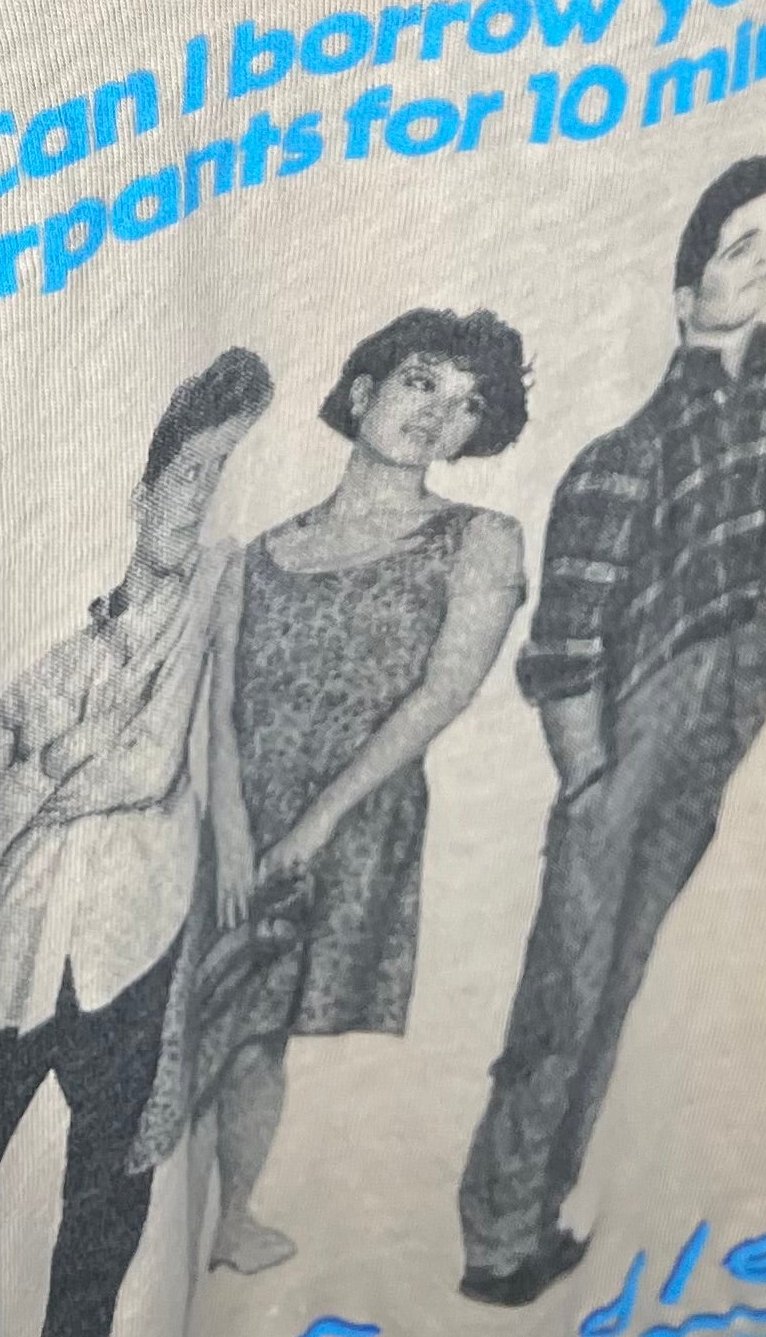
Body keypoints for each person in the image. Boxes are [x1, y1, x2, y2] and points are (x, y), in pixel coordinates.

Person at [456, 151, 766, 1307]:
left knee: (618, 980)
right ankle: (500, 1236)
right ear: (682, 294)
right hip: (626, 727)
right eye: (736, 246)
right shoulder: (620, 460)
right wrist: (589, 781)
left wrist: (750, 687)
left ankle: (538, 1210)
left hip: (720, 702)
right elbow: (564, 647)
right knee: (569, 990)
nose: (764, 262)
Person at [0, 346, 273, 1337]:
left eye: (221, 475)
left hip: (132, 937)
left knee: (109, 1179)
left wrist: (51, 772)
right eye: (188, 476)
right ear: (142, 490)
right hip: (26, 951)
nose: (202, 500)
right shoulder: (59, 660)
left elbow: (144, 762)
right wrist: (43, 778)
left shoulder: (216, 586)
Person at [190, 306, 529, 1280]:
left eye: (467, 406)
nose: (437, 413)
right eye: (422, 382)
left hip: (350, 822)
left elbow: (441, 696)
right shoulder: (255, 558)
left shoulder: (481, 540)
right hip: (236, 819)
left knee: (258, 1030)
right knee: (207, 1020)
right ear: (364, 391)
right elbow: (221, 712)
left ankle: (231, 1219)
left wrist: (313, 828)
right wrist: (235, 830)